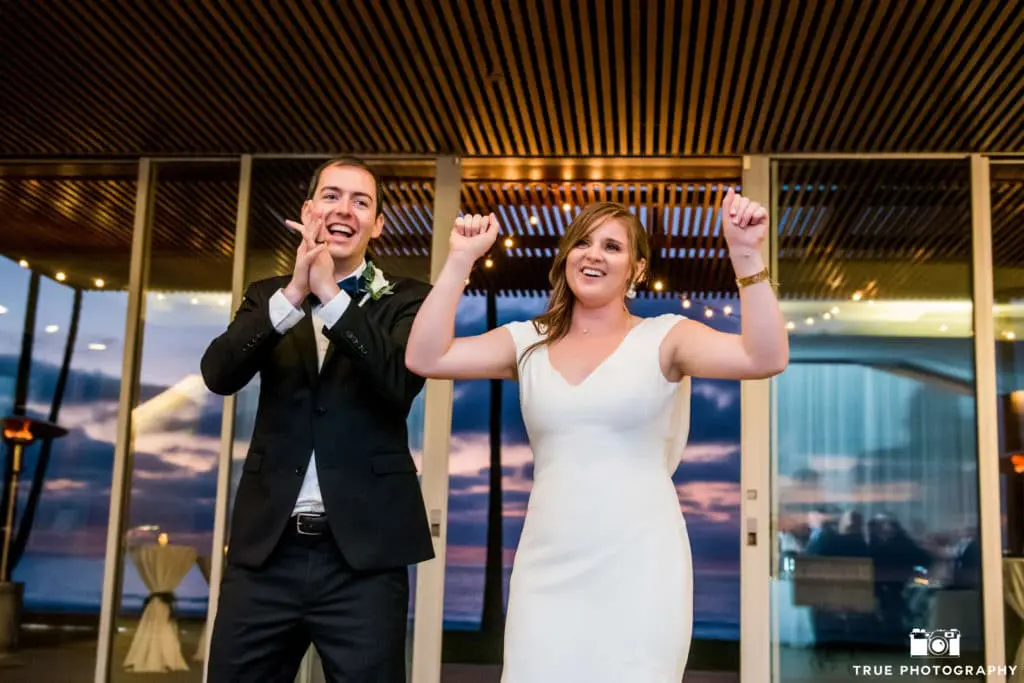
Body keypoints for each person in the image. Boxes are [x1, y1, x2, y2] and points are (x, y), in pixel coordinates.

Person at [405, 188, 788, 682]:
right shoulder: (528, 342)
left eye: (612, 246)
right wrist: (459, 260)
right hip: (547, 563)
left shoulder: (666, 338)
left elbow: (766, 357)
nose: (594, 255)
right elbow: (425, 357)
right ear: (567, 256)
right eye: (584, 242)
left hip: (642, 562)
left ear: (637, 269)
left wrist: (746, 256)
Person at [200, 156, 434, 682]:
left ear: (378, 224)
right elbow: (218, 373)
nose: (343, 210)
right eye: (331, 196)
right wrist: (296, 293)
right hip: (266, 554)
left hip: (364, 562)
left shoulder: (409, 299)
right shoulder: (268, 295)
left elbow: (398, 383)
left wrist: (331, 295)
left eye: (361, 201)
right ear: (309, 211)